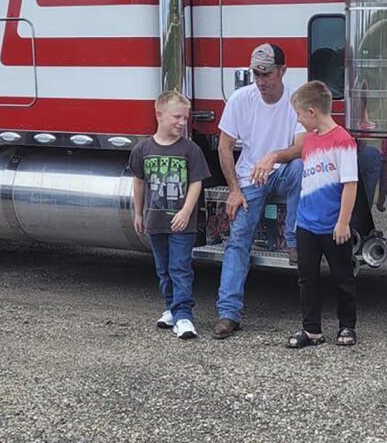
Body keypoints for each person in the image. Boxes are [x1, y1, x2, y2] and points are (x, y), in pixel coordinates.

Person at [214, 43, 305, 339]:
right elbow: (225, 147)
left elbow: (301, 147)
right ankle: (228, 314)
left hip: (280, 172)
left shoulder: (295, 100)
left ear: (283, 71)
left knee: (301, 167)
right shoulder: (242, 99)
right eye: (257, 73)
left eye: (267, 74)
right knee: (238, 240)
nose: (261, 81)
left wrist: (273, 157)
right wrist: (234, 190)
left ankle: (293, 241)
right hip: (249, 179)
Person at [129, 91, 211, 339]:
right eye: (177, 117)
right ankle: (171, 308)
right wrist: (138, 214)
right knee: (163, 268)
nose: (182, 123)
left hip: (181, 223)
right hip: (155, 221)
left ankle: (184, 316)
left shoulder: (190, 149)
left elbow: (196, 183)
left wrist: (186, 211)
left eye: (185, 118)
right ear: (159, 114)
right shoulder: (143, 148)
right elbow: (139, 182)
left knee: (180, 267)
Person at [286, 81, 359, 349]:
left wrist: (343, 222)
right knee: (307, 277)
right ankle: (311, 330)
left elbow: (350, 184)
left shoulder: (343, 141)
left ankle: (347, 326)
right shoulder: (309, 140)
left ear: (312, 111)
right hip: (306, 223)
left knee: (342, 277)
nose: (298, 119)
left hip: (333, 224)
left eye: (299, 114)